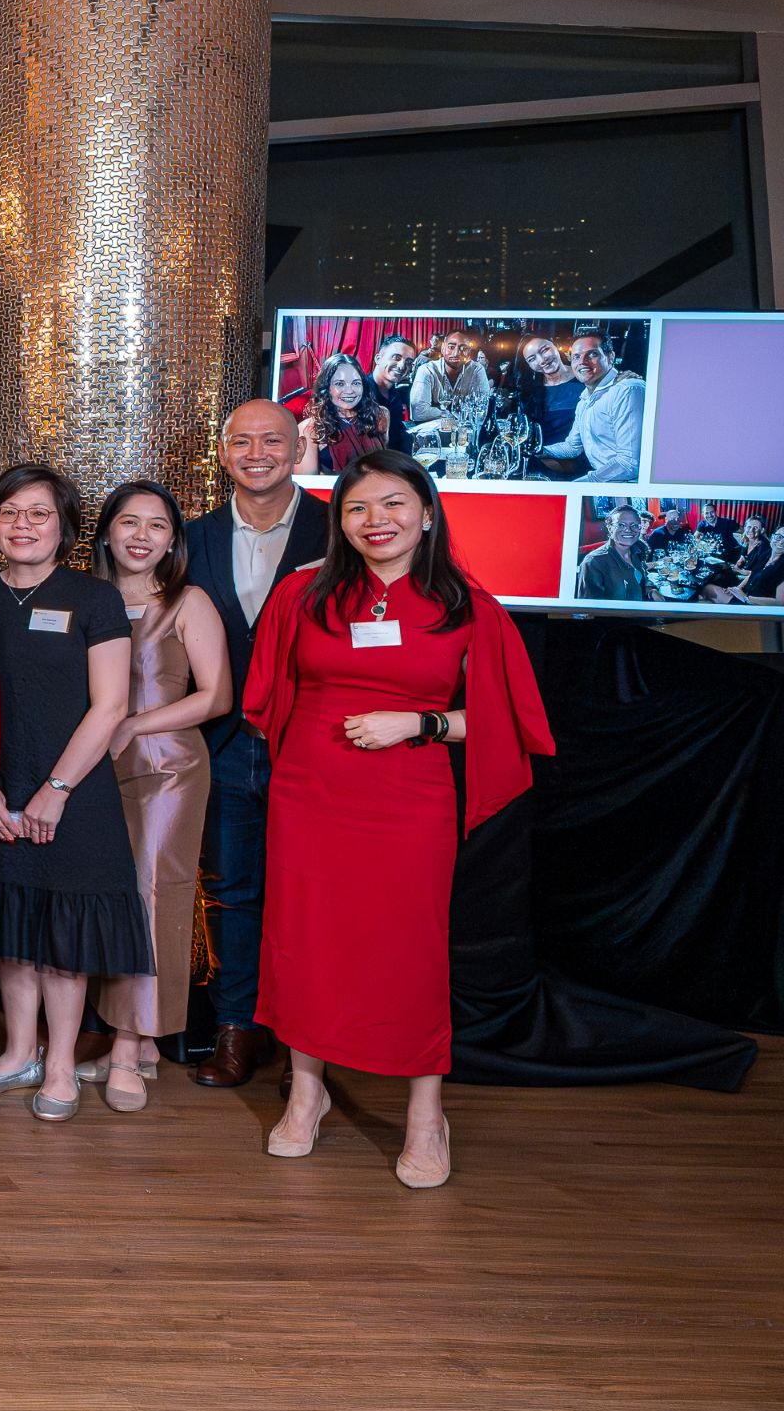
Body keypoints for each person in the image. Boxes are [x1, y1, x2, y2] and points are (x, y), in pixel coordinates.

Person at [249, 449, 554, 1189]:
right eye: (356, 508)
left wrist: (419, 722)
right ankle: (307, 1091)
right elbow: (268, 697)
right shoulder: (302, 595)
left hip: (408, 799)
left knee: (409, 951)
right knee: (307, 939)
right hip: (310, 794)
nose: (374, 520)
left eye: (392, 504)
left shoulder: (468, 606)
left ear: (426, 514)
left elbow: (502, 722)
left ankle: (426, 1114)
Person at [0, 466, 150, 1121]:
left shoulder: (94, 599)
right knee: (14, 923)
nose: (22, 525)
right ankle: (19, 1053)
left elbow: (110, 705)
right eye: (9, 512)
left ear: (64, 526)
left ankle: (61, 1065)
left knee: (64, 933)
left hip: (75, 789)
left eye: (38, 513)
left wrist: (56, 790)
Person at [182, 398, 332, 1088]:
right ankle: (237, 1028)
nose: (257, 454)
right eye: (241, 442)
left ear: (297, 450)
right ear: (223, 454)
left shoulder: (340, 528)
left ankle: (310, 1036)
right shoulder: (194, 538)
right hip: (221, 741)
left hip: (314, 742)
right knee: (231, 892)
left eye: (272, 440)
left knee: (313, 894)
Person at [84, 482, 230, 1113]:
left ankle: (126, 1049)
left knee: (151, 897)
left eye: (158, 525)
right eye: (129, 522)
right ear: (106, 531)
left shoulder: (187, 602)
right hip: (94, 772)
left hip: (166, 768)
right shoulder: (86, 599)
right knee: (111, 900)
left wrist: (134, 725)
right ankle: (136, 1041)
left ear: (173, 540)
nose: (141, 536)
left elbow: (217, 696)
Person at [537, 332, 645, 483]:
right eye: (576, 357)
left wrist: (579, 486)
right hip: (604, 484)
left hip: (628, 487)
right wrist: (535, 450)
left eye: (592, 354)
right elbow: (572, 447)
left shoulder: (627, 390)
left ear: (611, 357)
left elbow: (629, 463)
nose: (582, 362)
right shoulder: (584, 400)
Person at [295, 352, 388, 476]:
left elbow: (384, 464)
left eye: (356, 383)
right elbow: (307, 483)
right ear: (326, 388)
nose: (349, 391)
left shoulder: (380, 415)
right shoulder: (308, 429)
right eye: (340, 384)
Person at [407, 329, 491, 433]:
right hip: (431, 434)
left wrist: (437, 409)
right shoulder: (427, 370)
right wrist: (452, 413)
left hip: (464, 433)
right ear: (442, 348)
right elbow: (418, 412)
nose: (456, 353)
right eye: (451, 347)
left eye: (463, 348)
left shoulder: (476, 370)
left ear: (469, 352)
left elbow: (482, 409)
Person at [574, 502, 651, 603]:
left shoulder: (637, 551)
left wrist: (650, 591)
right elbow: (589, 607)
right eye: (621, 525)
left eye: (634, 525)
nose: (628, 530)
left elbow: (641, 580)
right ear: (610, 528)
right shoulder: (594, 562)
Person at [518, 336, 581, 446]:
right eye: (532, 359)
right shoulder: (530, 393)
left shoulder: (585, 379)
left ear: (556, 346)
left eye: (544, 350)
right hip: (542, 453)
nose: (542, 360)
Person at [368, 337, 418, 415]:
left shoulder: (397, 395)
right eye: (396, 358)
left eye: (408, 362)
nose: (402, 366)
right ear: (378, 359)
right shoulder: (360, 391)